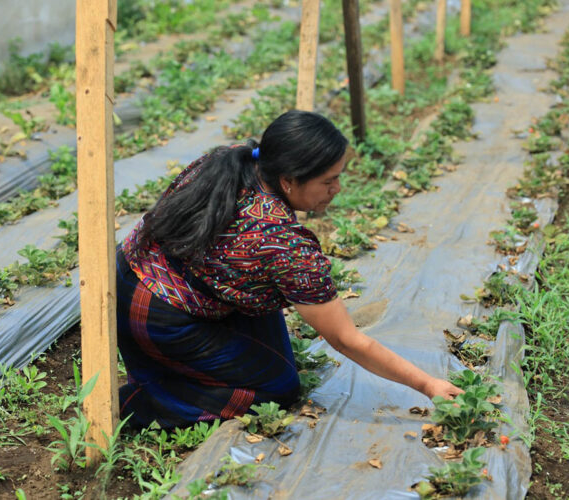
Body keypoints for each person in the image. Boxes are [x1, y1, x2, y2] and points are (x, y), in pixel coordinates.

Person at [116, 110, 462, 428]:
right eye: (328, 181)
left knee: (277, 361)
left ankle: (173, 365)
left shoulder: (234, 160)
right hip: (156, 313)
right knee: (276, 389)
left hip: (130, 269)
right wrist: (427, 384)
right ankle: (141, 403)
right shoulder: (285, 247)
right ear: (288, 181)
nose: (337, 189)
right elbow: (346, 339)